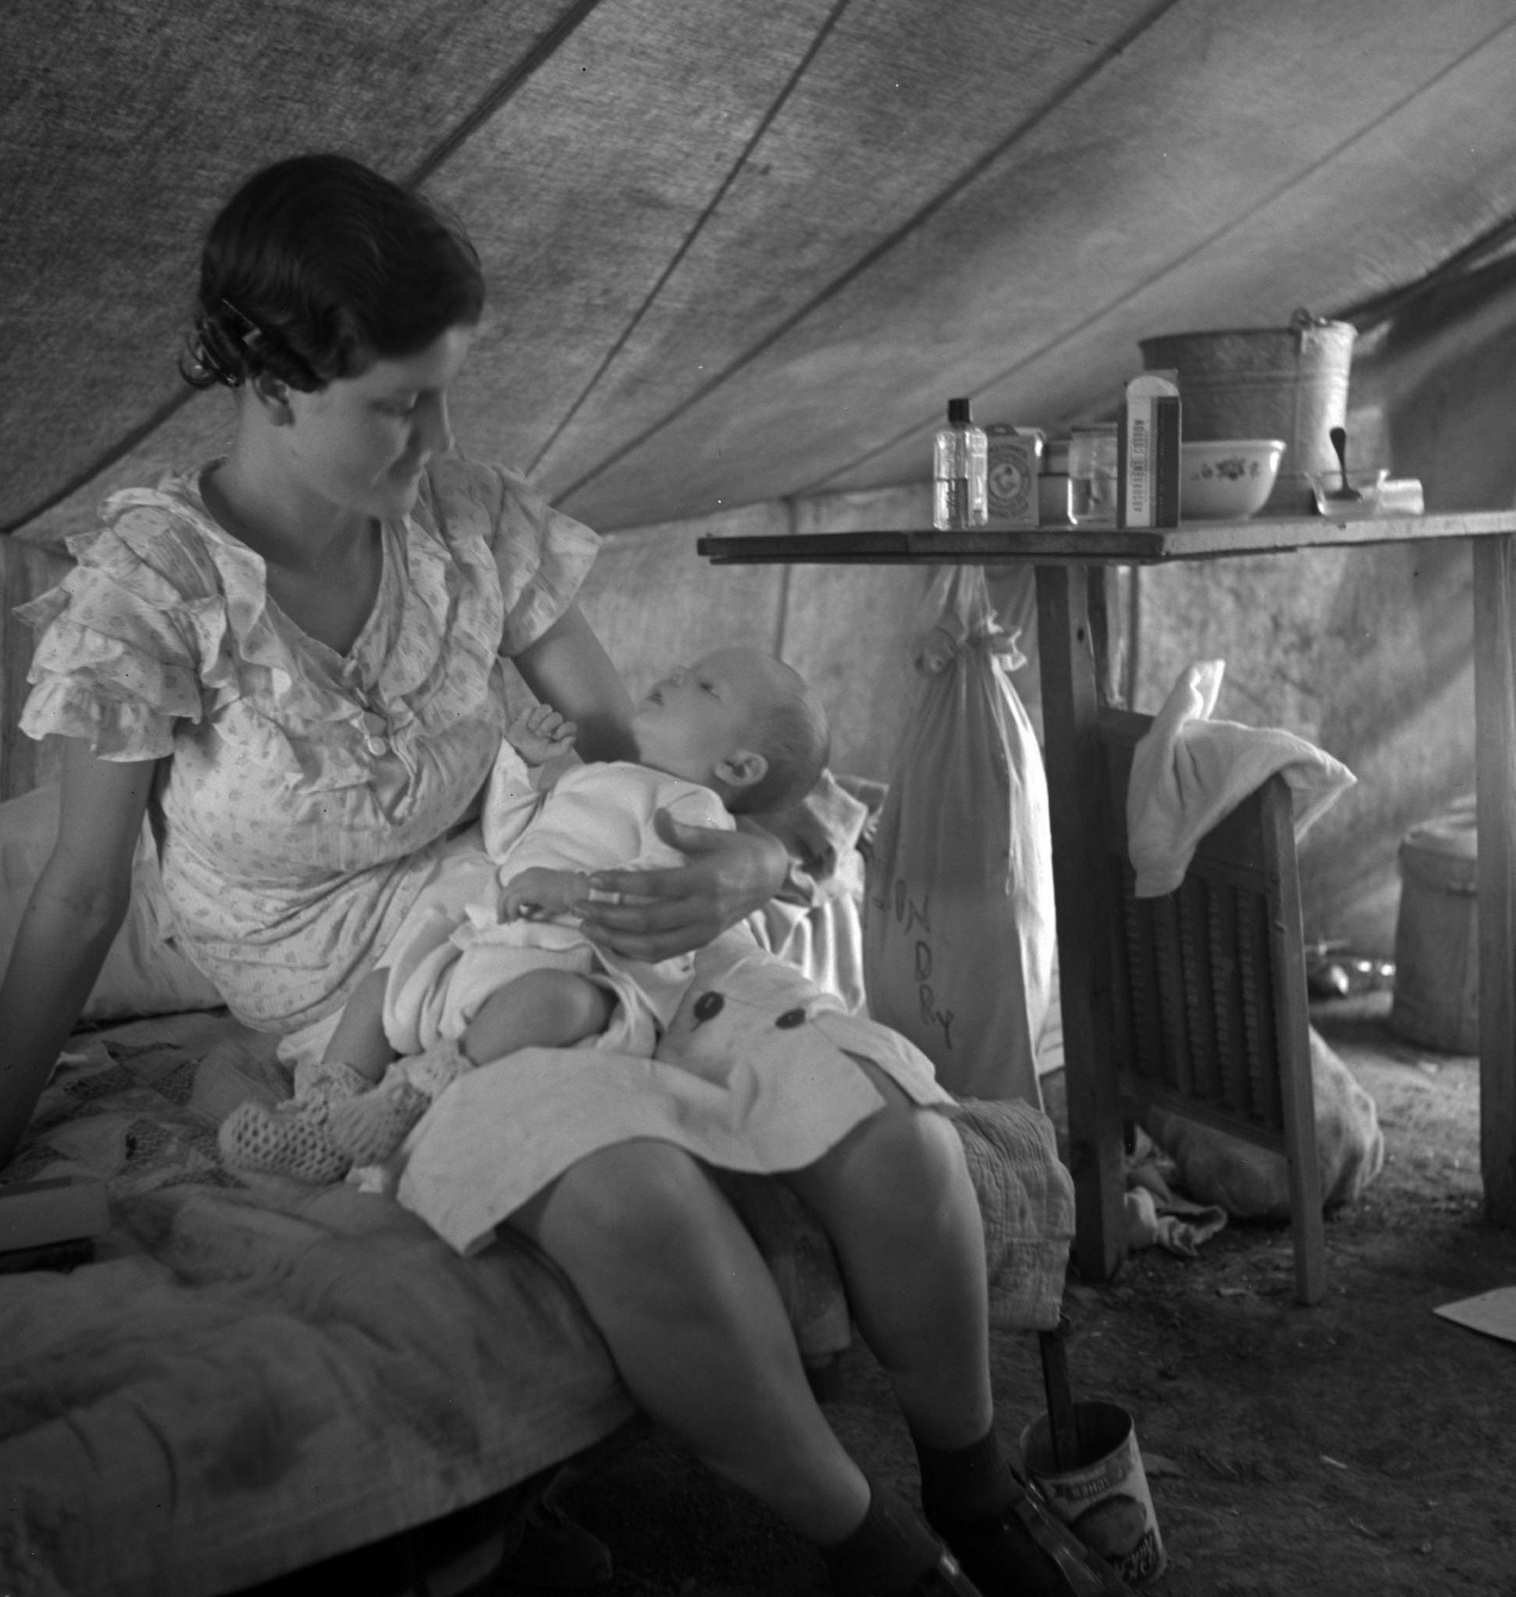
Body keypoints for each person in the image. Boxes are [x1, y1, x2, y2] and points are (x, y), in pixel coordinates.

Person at [0, 151, 1114, 1597]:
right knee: (627, 1188)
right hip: (410, 998)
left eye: (446, 393)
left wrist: (750, 858)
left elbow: (629, 753)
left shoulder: (469, 525)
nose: (436, 439)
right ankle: (883, 1557)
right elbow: (80, 895)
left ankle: (974, 1487)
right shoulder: (151, 594)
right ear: (270, 384)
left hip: (612, 906)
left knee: (887, 1123)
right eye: (397, 405)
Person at [216, 645, 832, 1183]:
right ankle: (322, 1117)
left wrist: (571, 891)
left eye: (706, 686)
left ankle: (415, 1095)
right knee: (379, 989)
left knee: (556, 1003)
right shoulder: (599, 777)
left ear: (738, 768)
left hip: (579, 964)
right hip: (487, 947)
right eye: (688, 669)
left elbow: (659, 889)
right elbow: (510, 839)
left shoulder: (695, 812)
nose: (676, 674)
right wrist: (522, 762)